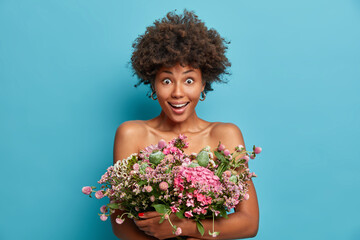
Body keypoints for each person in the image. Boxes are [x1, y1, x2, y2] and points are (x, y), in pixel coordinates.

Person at [110, 9, 259, 240]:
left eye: (189, 80)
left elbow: (249, 223)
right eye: (166, 80)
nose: (178, 92)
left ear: (203, 84)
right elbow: (121, 223)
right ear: (153, 85)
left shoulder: (225, 135)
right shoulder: (131, 134)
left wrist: (183, 228)